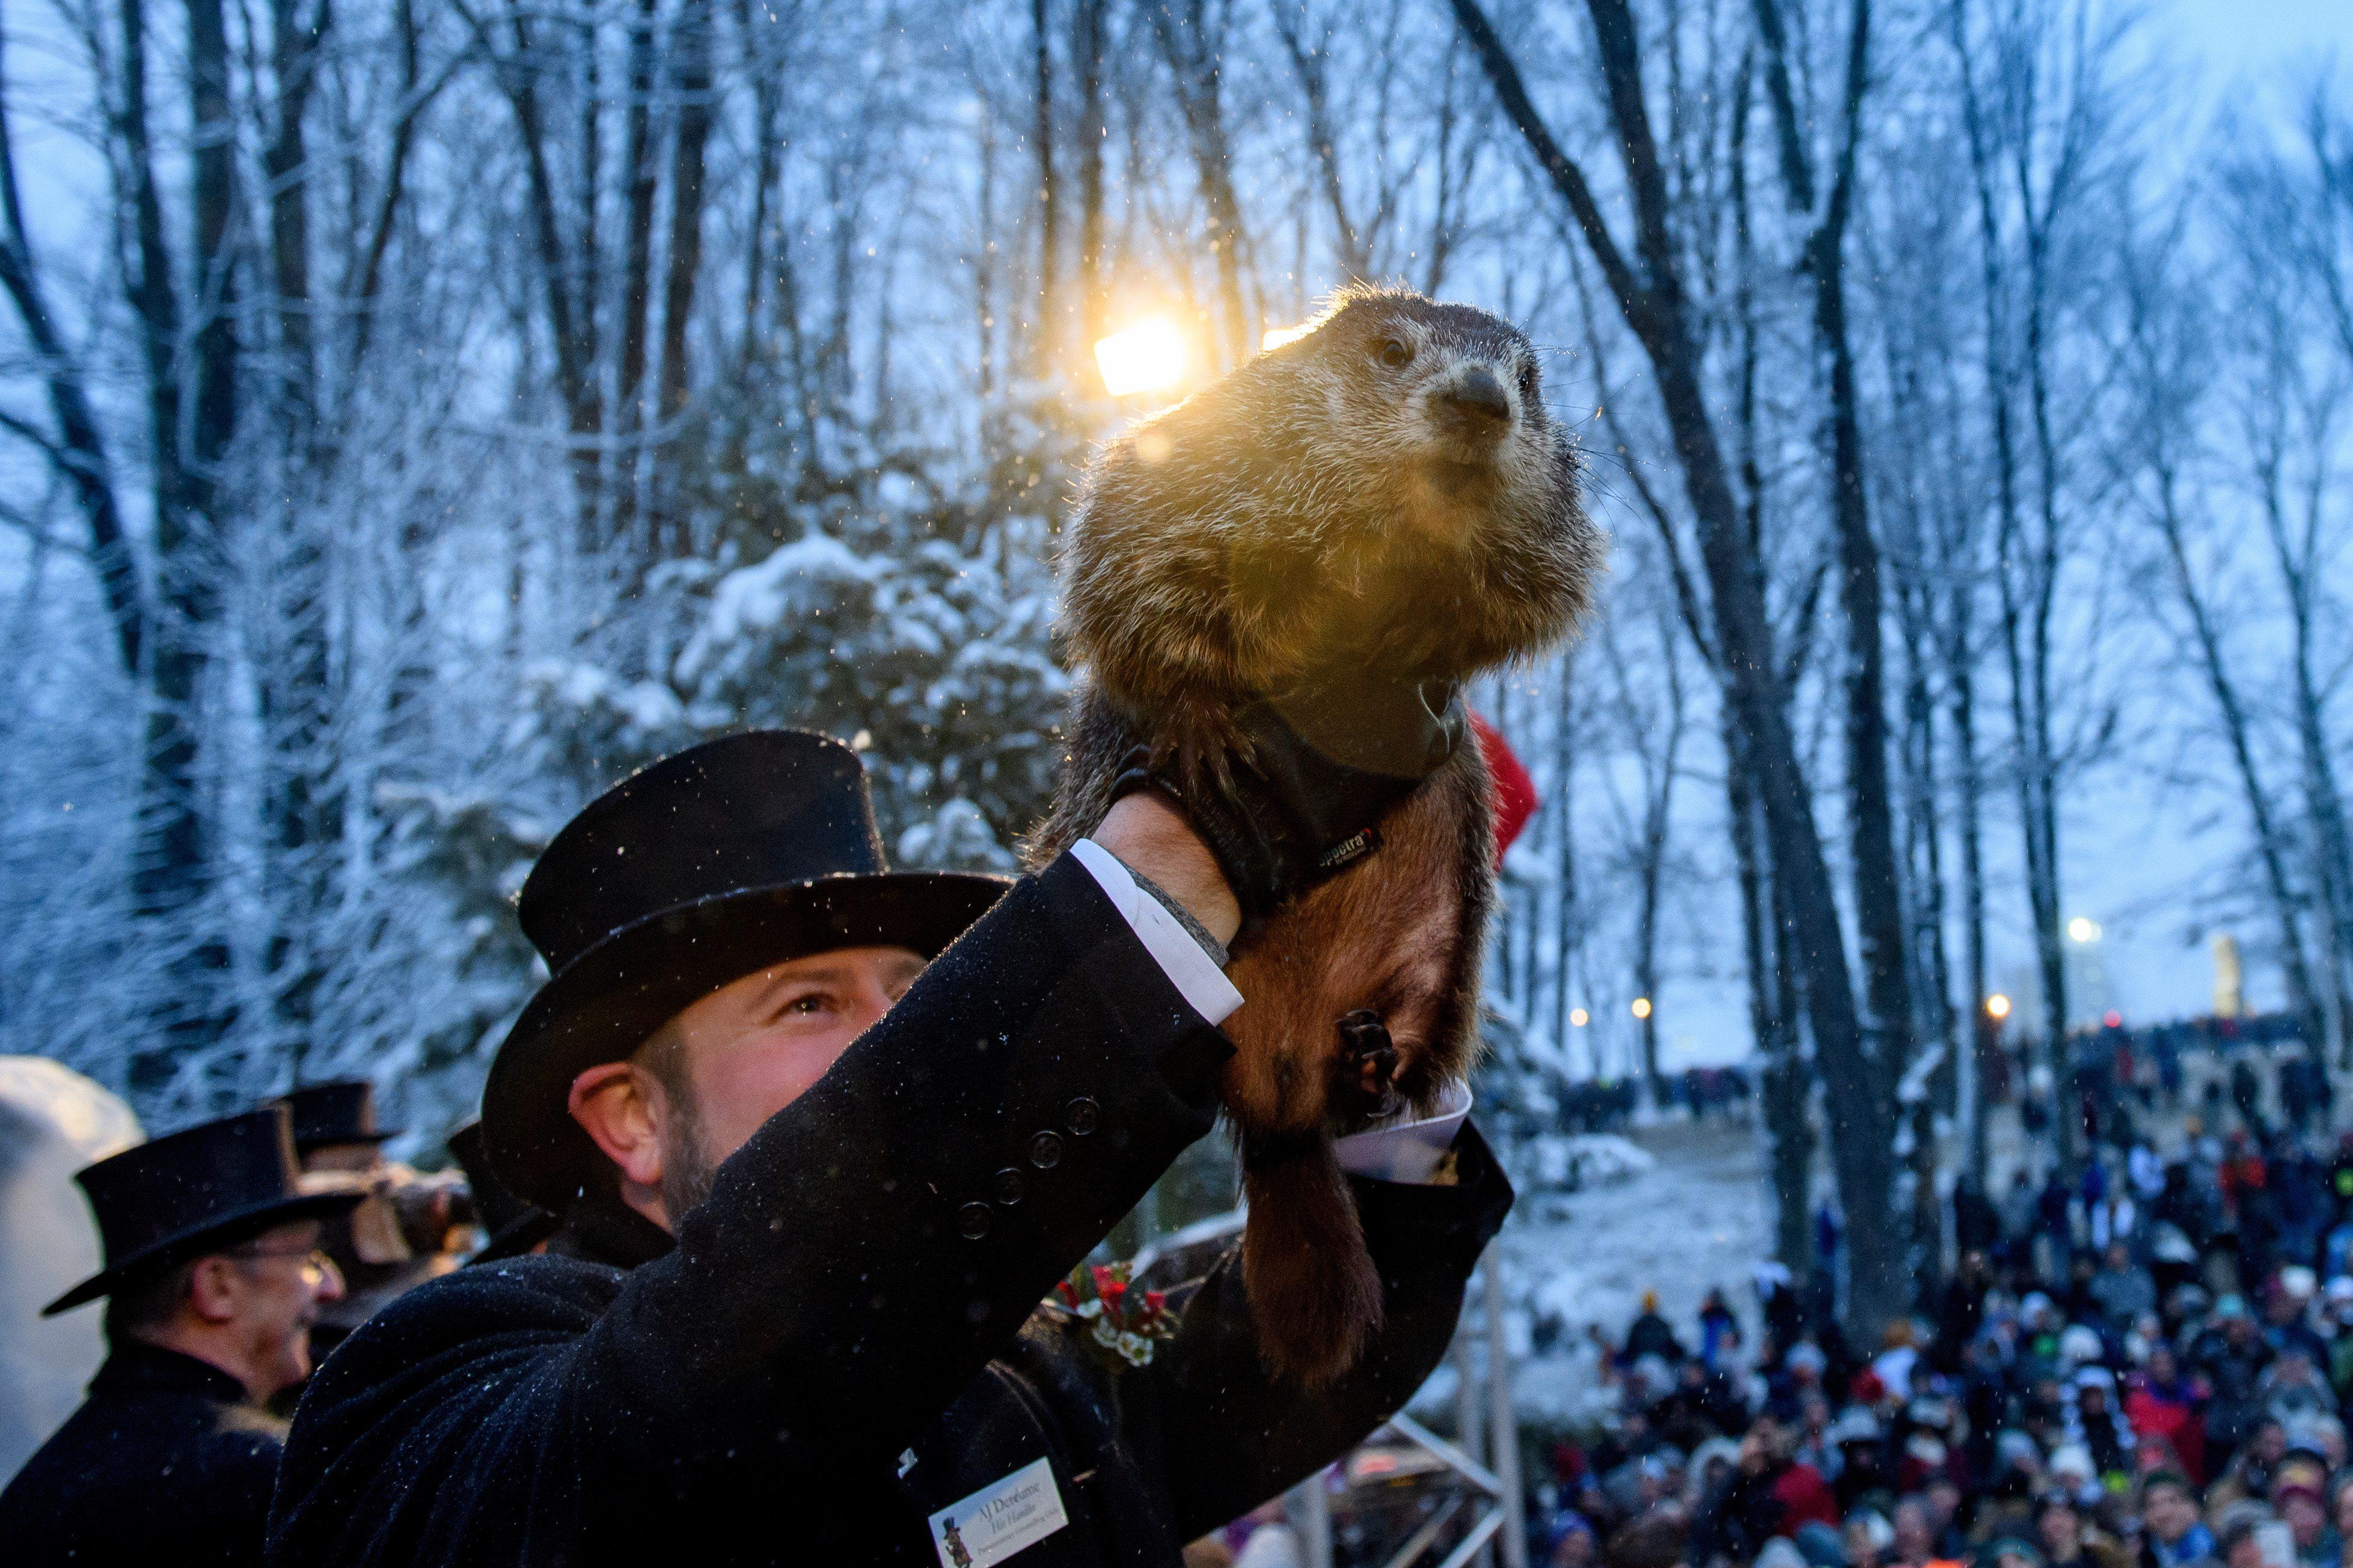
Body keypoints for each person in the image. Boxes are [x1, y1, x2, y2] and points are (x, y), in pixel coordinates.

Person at [269, 723, 1511, 1564]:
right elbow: (690, 1411)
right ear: (632, 1118)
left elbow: (1307, 1341)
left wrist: (1364, 1039)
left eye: (912, 990)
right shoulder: (444, 1382)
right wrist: (1165, 870)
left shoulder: (1007, 1362)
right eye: (808, 1002)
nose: (889, 1037)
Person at [0, 1106, 358, 1564]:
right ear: (216, 1287)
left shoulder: (40, 1486)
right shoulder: (260, 1477)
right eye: (305, 1258)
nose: (332, 1288)